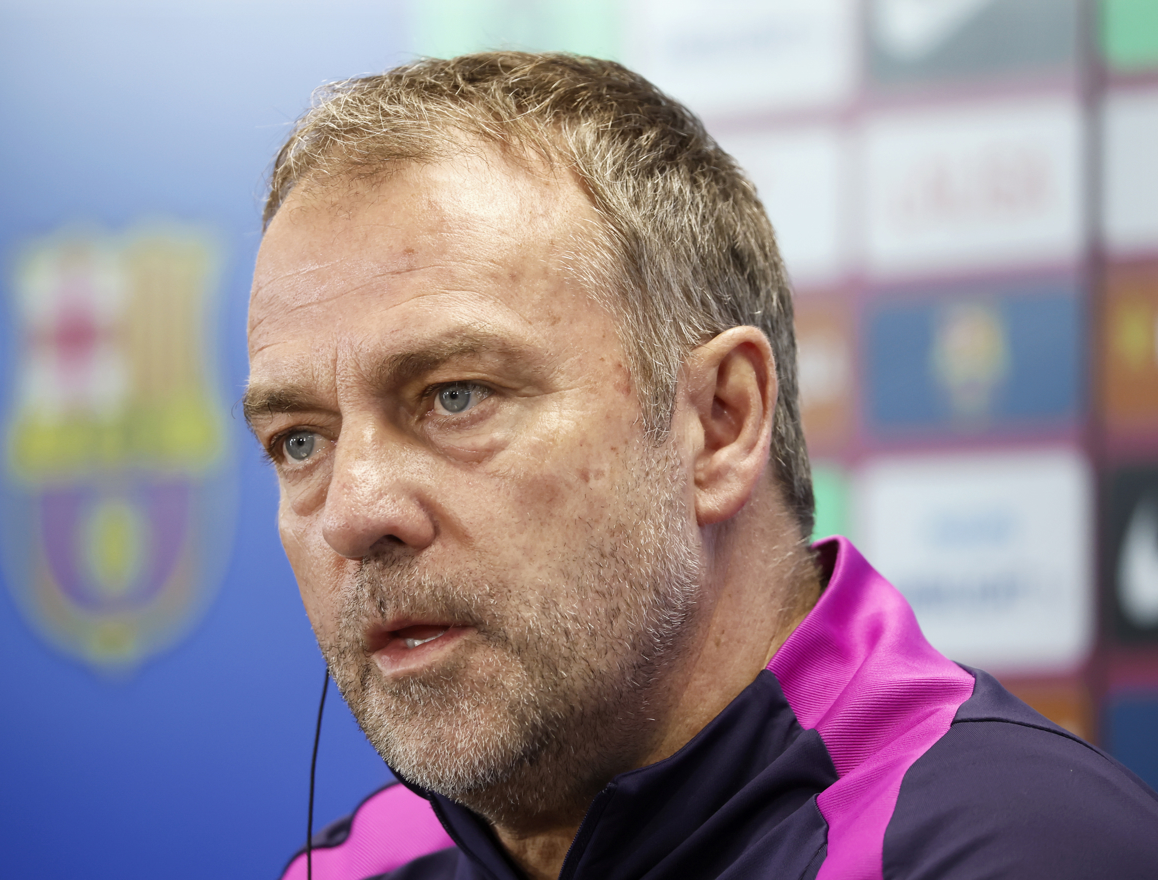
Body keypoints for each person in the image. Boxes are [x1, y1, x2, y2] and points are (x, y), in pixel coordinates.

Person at [245, 52, 1158, 880]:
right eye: (300, 440)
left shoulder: (1010, 852)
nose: (353, 514)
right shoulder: (358, 866)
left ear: (720, 423)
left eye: (455, 396)